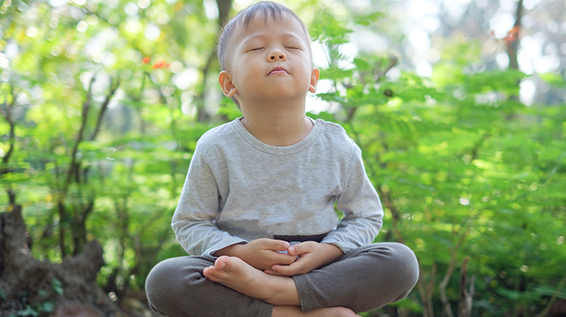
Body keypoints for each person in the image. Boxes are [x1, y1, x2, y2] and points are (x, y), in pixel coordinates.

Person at [145, 2, 419, 316]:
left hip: (321, 268)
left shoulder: (337, 144)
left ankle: (278, 294)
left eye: (290, 46)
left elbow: (366, 216)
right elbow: (190, 222)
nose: (277, 53)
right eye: (257, 48)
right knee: (165, 280)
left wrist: (325, 251)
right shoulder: (216, 147)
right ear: (229, 83)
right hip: (240, 270)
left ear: (313, 78)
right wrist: (241, 252)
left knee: (401, 262)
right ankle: (292, 313)